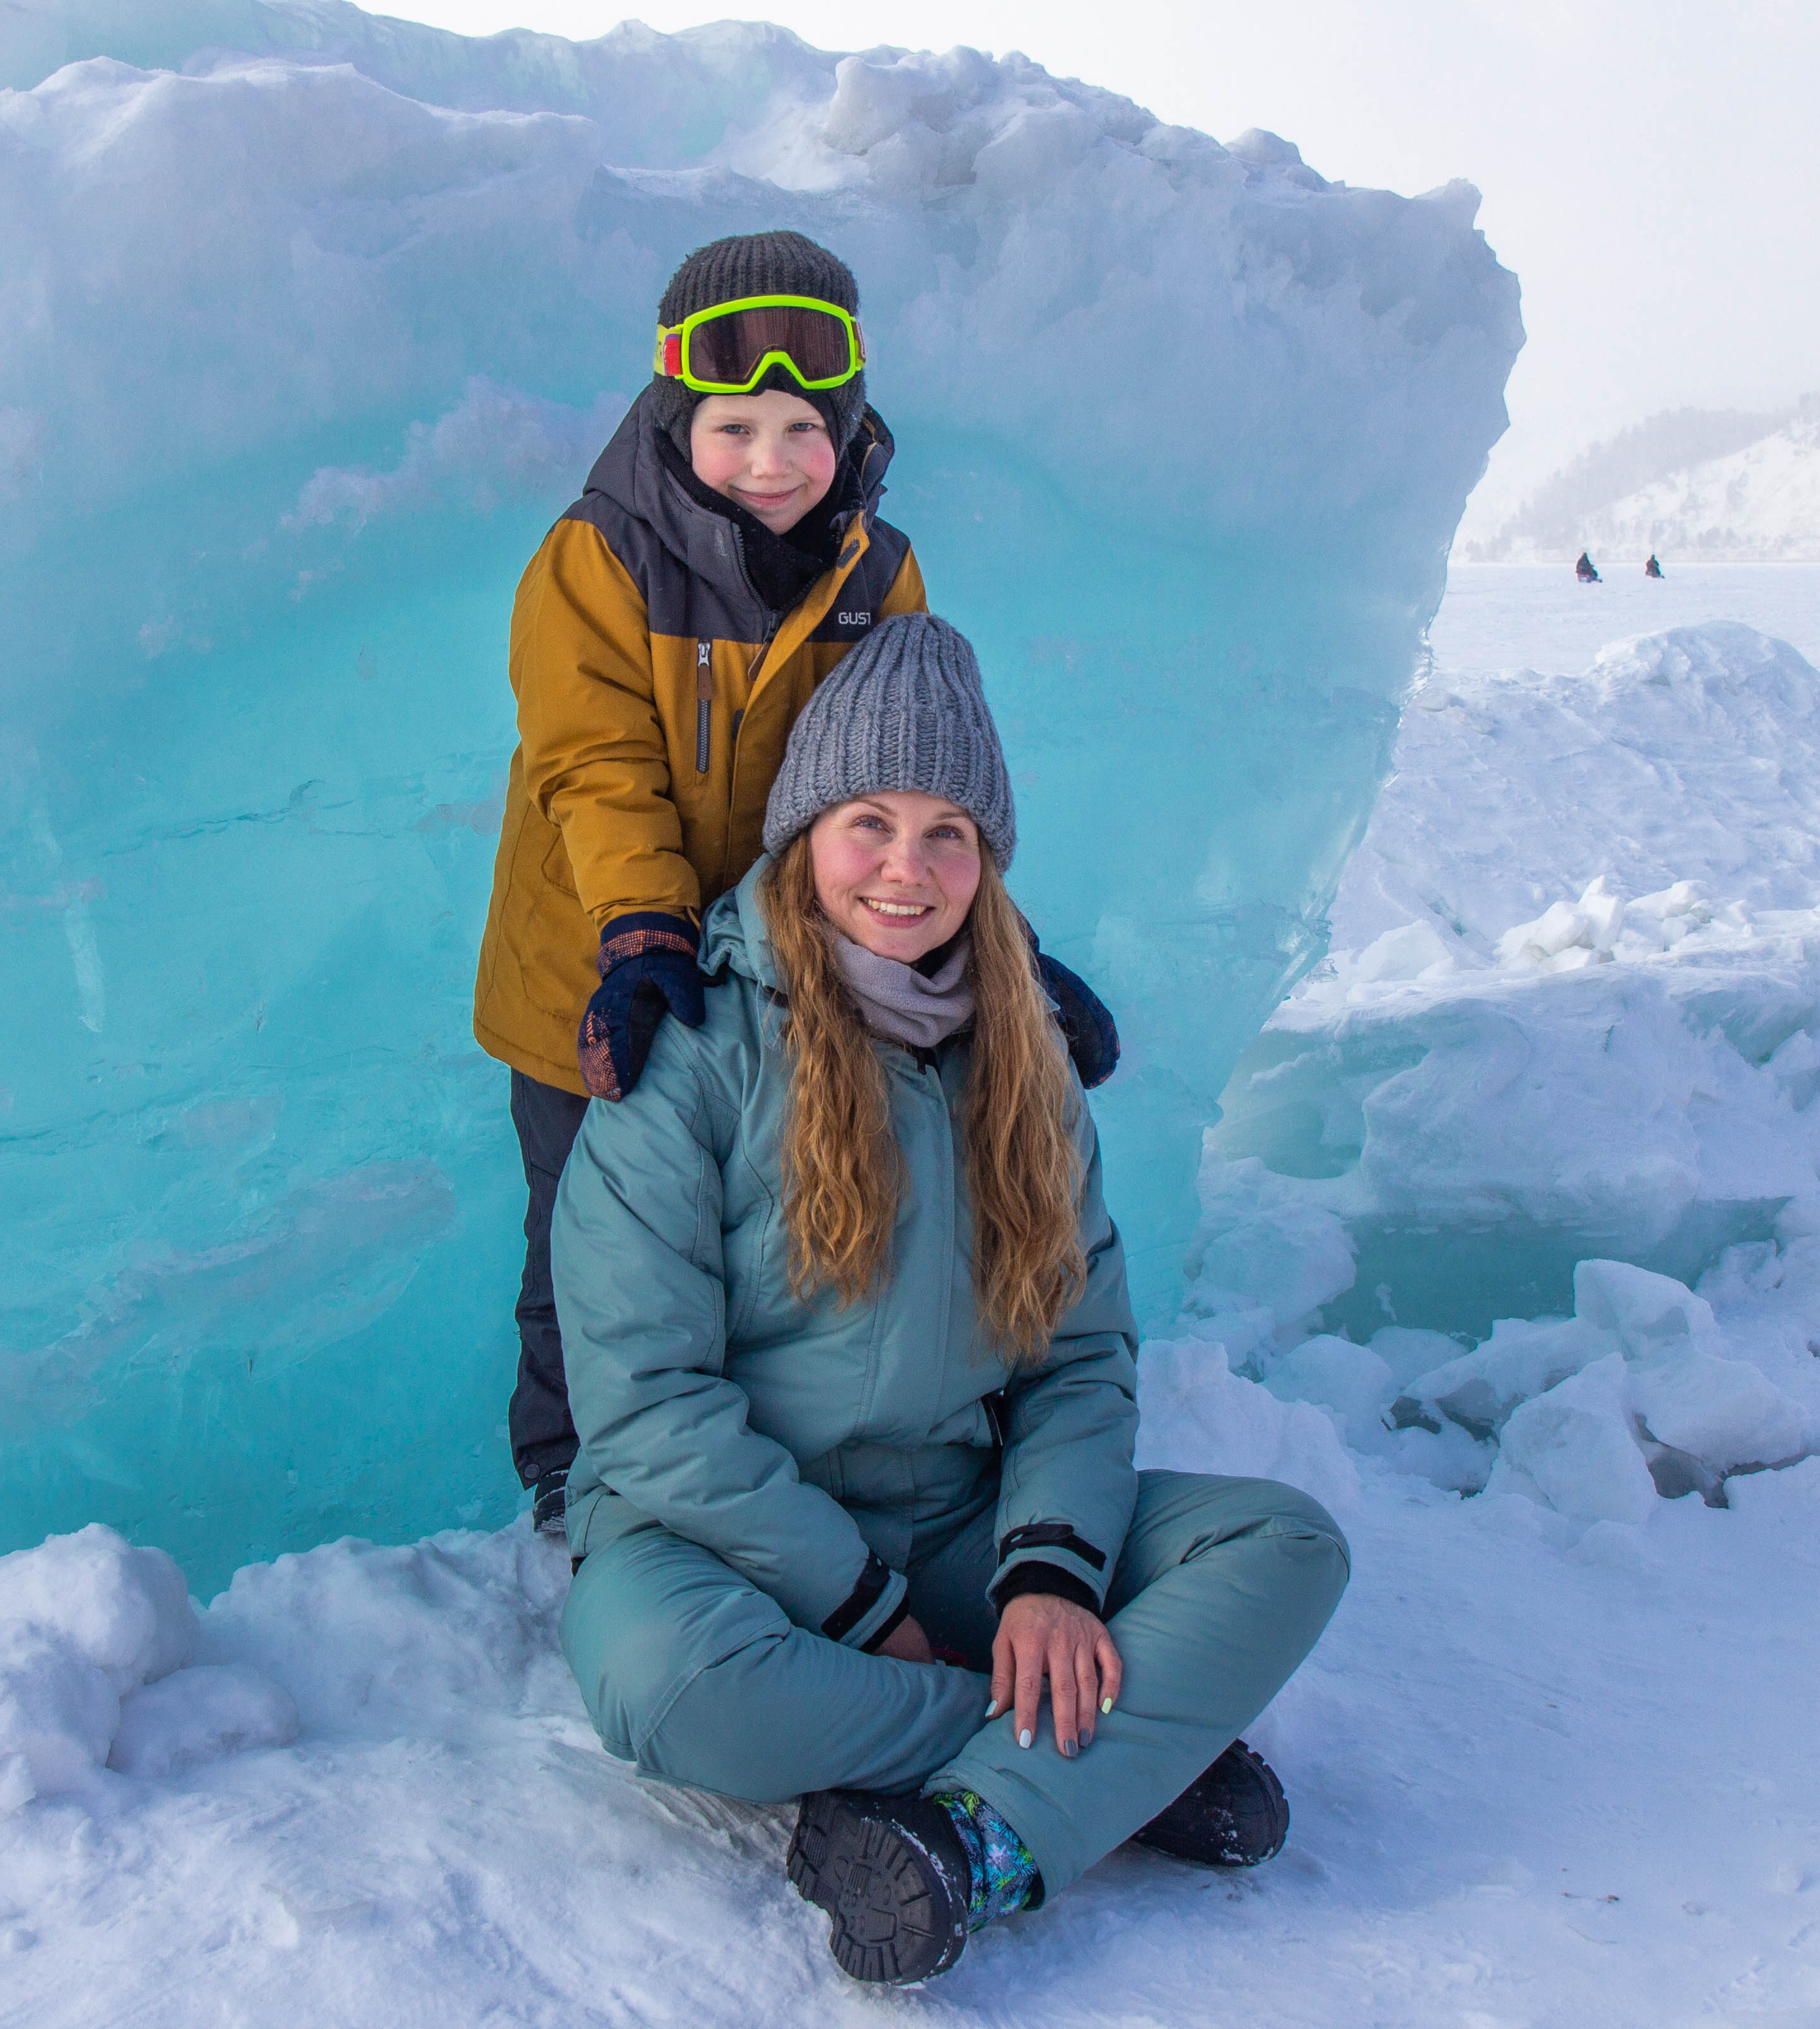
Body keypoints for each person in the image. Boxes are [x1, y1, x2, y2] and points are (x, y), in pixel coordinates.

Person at [548, 616, 1349, 1986]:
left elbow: (1079, 1362)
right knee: (662, 1677)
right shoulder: (689, 1048)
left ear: (988, 862)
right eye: (869, 822)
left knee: (1283, 1546)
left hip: (966, 1522)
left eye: (949, 834)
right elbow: (647, 1406)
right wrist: (860, 1605)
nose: (907, 871)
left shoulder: (1028, 1059)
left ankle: (978, 1825)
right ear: (805, 834)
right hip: (729, 1553)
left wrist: (1048, 1574)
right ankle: (1107, 1762)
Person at [473, 233, 1118, 1533]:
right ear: (674, 418)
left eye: (800, 429)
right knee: (583, 1229)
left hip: (786, 972)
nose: (771, 462)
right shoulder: (595, 560)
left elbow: (919, 779)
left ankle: (775, 1465)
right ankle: (569, 1478)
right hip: (598, 960)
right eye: (734, 428)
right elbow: (595, 763)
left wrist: (1003, 952)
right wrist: (647, 934)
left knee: (773, 1220)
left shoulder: (878, 573)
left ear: (850, 427)